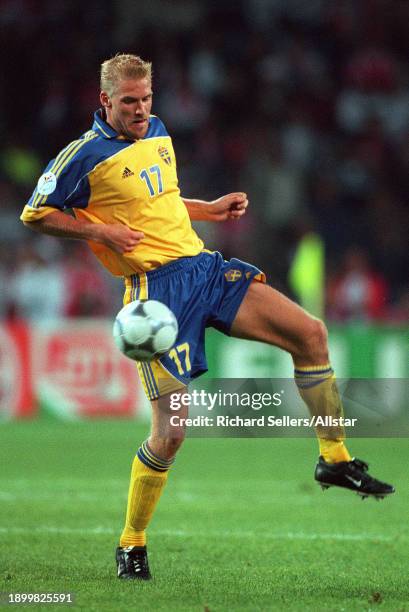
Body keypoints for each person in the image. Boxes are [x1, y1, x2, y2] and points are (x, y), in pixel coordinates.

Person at [20, 54, 394, 581]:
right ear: (104, 101)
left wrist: (209, 208)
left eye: (147, 98)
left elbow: (161, 200)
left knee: (310, 334)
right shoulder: (82, 156)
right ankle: (132, 543)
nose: (142, 109)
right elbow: (35, 214)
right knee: (172, 432)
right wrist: (101, 233)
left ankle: (333, 458)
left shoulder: (159, 131)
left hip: (204, 270)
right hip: (155, 295)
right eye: (130, 101)